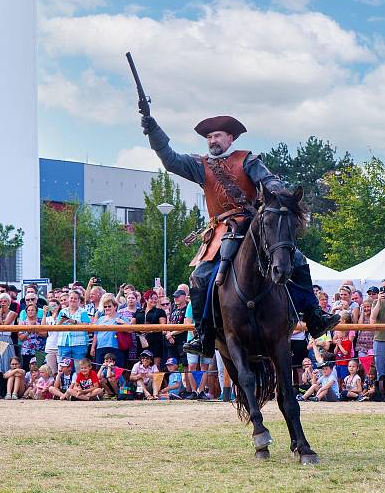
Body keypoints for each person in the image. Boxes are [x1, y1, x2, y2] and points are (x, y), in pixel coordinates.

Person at [141, 113, 339, 359]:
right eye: (209, 137)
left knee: (296, 259)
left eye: (217, 135)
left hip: (254, 224)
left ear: (230, 138)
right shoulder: (200, 165)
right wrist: (154, 132)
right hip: (221, 230)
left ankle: (314, 316)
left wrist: (276, 192)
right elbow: (170, 160)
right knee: (199, 276)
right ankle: (204, 335)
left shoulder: (247, 159)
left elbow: (268, 180)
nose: (212, 140)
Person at [136, 290, 167, 368]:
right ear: (146, 299)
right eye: (152, 298)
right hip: (141, 342)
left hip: (155, 342)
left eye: (156, 298)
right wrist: (141, 329)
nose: (154, 300)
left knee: (156, 367)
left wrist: (150, 329)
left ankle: (157, 380)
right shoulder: (138, 311)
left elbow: (163, 326)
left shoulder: (160, 311)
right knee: (141, 366)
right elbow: (132, 325)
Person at [57, 291, 91, 361]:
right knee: (64, 367)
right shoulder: (62, 311)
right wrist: (61, 321)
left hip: (79, 344)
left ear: (79, 300)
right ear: (69, 299)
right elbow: (56, 327)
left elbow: (86, 326)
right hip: (64, 344)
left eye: (75, 298)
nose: (73, 300)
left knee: (79, 367)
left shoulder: (83, 312)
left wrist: (73, 321)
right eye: (71, 298)